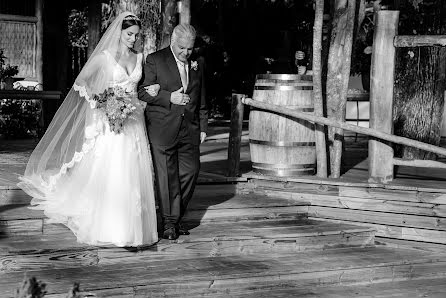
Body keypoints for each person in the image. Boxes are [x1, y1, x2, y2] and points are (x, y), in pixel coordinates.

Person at [18, 12, 160, 248]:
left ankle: (134, 229)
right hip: (111, 123)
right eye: (129, 34)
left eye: (136, 35)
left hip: (134, 122)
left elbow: (140, 90)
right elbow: (82, 82)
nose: (133, 39)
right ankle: (109, 226)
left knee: (134, 170)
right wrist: (104, 104)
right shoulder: (104, 58)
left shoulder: (140, 58)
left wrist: (149, 93)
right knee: (114, 169)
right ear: (119, 33)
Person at [138, 24, 208, 240]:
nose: (186, 53)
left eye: (190, 49)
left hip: (190, 128)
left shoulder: (199, 63)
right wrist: (169, 97)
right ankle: (170, 223)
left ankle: (174, 217)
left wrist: (204, 126)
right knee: (166, 177)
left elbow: (202, 96)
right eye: (182, 48)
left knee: (191, 171)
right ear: (172, 42)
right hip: (162, 128)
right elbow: (142, 92)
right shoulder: (155, 60)